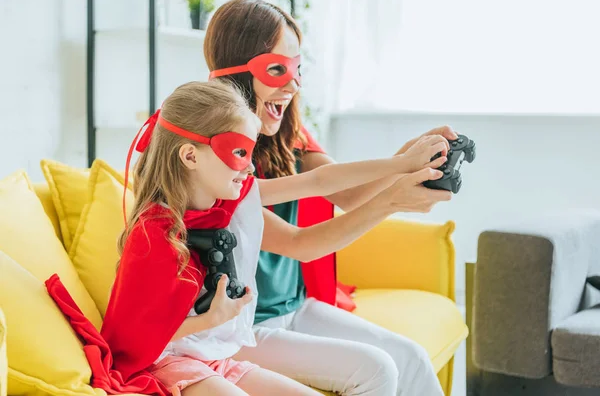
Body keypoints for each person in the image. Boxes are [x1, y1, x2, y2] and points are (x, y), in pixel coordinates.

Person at [46, 80, 450, 396]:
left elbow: (318, 180)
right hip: (170, 361)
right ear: (190, 156)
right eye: (239, 153)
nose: (249, 167)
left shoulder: (228, 199)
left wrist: (403, 163)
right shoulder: (155, 234)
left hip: (217, 354)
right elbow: (133, 339)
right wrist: (211, 319)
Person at [203, 0, 457, 395]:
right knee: (376, 369)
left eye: (297, 69)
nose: (293, 84)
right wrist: (392, 197)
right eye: (277, 69)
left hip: (294, 307)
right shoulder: (216, 160)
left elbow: (346, 191)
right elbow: (300, 244)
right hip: (242, 328)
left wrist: (406, 161)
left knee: (410, 357)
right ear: (235, 71)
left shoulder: (286, 138)